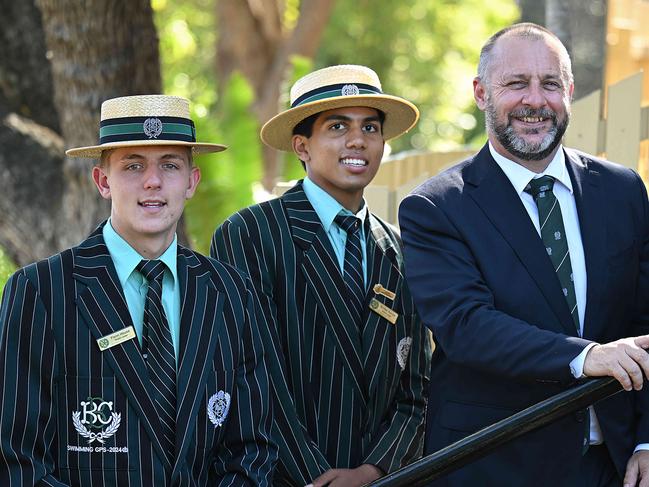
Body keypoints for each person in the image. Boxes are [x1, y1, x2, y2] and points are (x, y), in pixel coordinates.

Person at [399, 22, 649, 487]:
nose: (535, 100)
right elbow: (467, 327)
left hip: (616, 466)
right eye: (516, 84)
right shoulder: (435, 207)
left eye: (550, 84)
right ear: (480, 93)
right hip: (497, 463)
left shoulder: (623, 191)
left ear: (569, 91)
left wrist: (646, 440)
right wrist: (584, 356)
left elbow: (645, 323)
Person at [0, 94, 276, 486]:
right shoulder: (40, 292)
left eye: (170, 164)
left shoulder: (232, 294)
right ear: (102, 181)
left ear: (191, 182)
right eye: (133, 165)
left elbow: (252, 449)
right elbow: (17, 461)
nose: (153, 180)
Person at [211, 64, 431, 487]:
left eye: (370, 127)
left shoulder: (402, 251)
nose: (357, 140)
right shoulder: (250, 234)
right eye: (337, 126)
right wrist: (316, 478)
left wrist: (373, 471)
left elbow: (416, 388)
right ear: (302, 146)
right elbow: (251, 376)